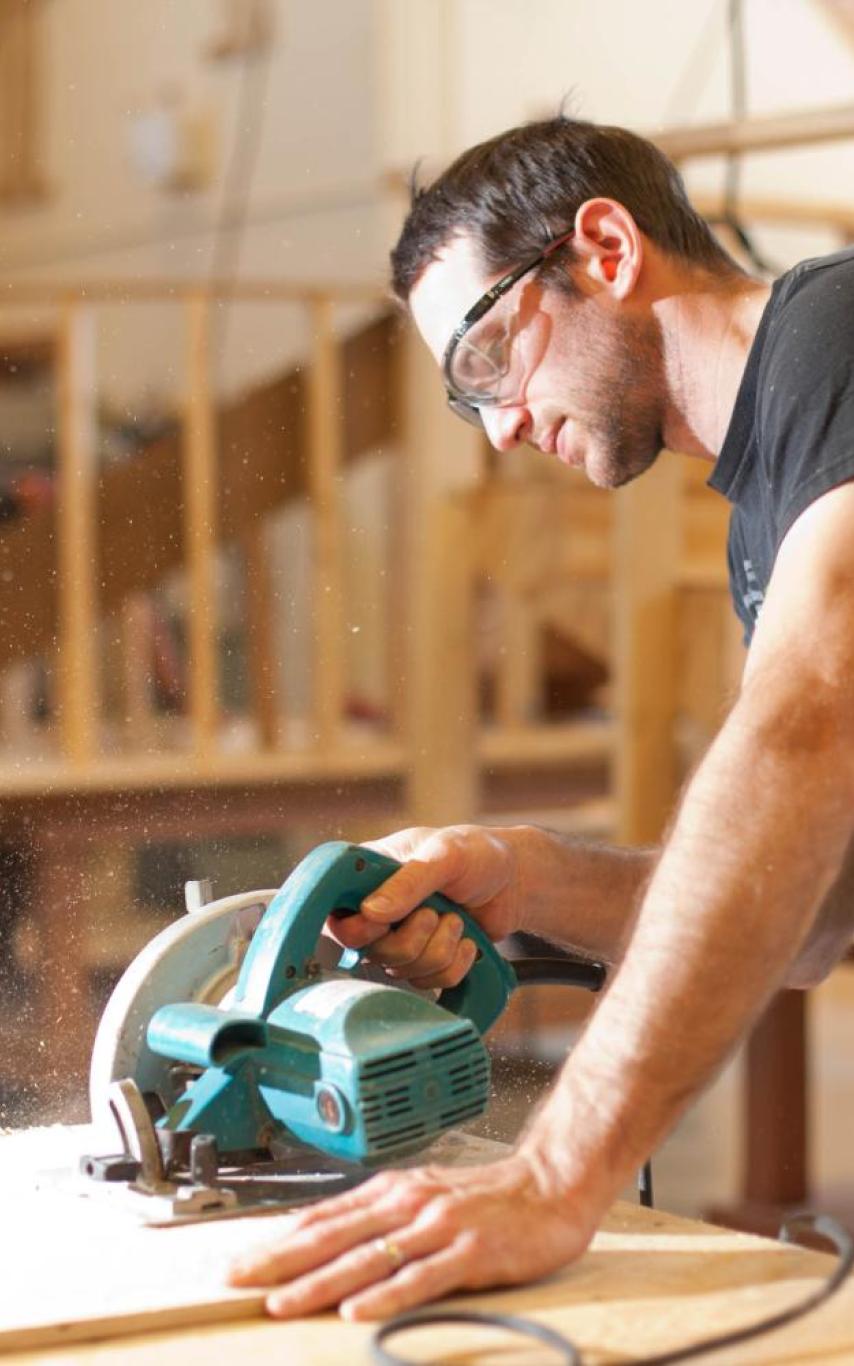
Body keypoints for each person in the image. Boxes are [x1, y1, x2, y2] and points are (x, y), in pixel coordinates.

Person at [229, 116, 854, 1320]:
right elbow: (820, 920)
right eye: (469, 406)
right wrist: (530, 875)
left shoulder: (833, 333)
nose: (502, 425)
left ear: (606, 250)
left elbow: (801, 722)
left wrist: (560, 1170)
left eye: (484, 358)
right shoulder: (762, 523)